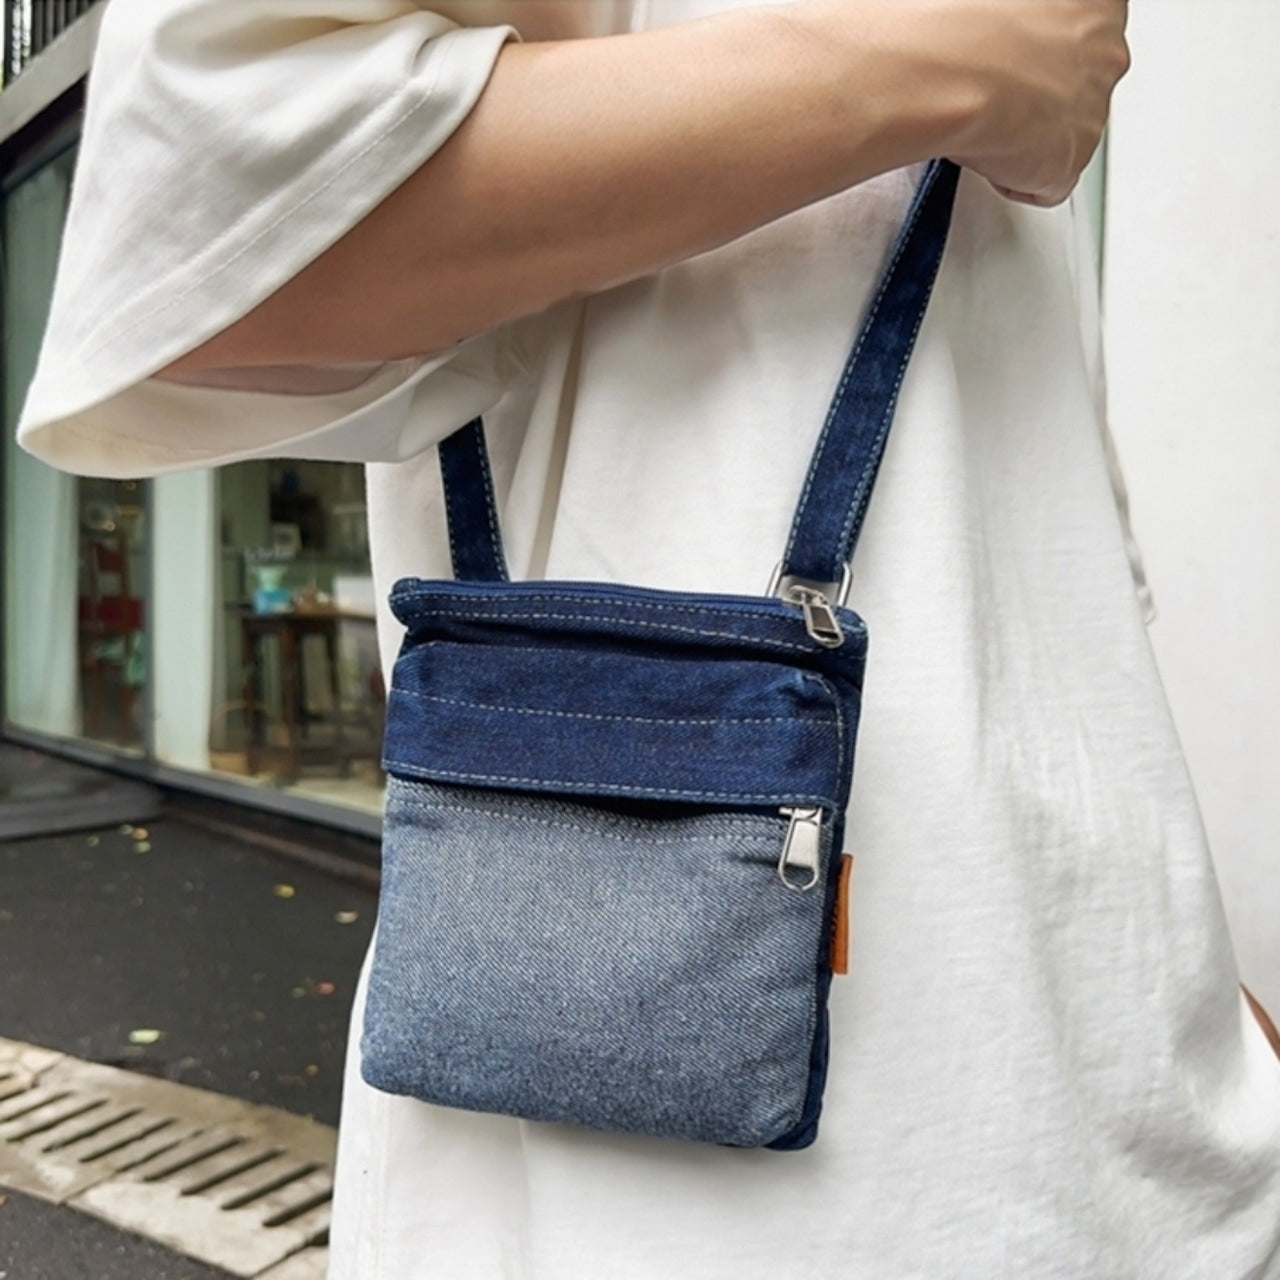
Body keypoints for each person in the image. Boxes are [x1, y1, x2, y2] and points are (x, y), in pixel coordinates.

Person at [17, 2, 1280, 1277]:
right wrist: (947, 64)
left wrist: (1191, 984)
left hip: (1144, 1119)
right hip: (710, 1207)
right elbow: (207, 238)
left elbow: (1033, 557)